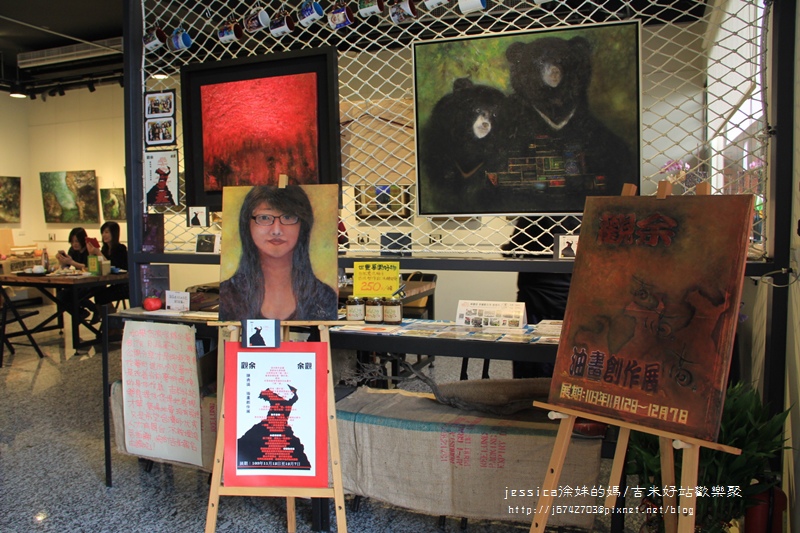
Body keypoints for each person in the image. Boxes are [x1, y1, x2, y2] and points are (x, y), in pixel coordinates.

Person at [219, 185, 338, 322]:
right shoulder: (228, 297)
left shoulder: (323, 297)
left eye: (288, 217)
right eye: (264, 218)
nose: (276, 231)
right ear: (247, 225)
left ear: (303, 226)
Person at [502, 216, 580, 378]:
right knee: (572, 352)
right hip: (573, 295)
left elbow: (512, 249)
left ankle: (530, 390)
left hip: (535, 296)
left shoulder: (534, 215)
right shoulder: (588, 215)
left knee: (531, 352)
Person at [87, 221, 129, 320]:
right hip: (112, 283)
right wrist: (91, 254)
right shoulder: (105, 249)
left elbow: (111, 267)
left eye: (107, 232)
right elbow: (96, 267)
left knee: (101, 296)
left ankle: (111, 321)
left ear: (114, 233)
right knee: (97, 293)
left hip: (123, 284)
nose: (104, 235)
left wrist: (98, 253)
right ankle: (107, 320)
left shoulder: (120, 249)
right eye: (102, 232)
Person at [55, 227, 92, 319]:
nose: (74, 244)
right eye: (72, 241)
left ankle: (91, 309)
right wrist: (62, 260)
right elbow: (66, 267)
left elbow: (89, 268)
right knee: (60, 296)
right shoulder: (72, 250)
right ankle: (81, 313)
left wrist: (72, 262)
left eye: (77, 241)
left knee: (73, 295)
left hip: (90, 282)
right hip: (77, 282)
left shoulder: (90, 249)